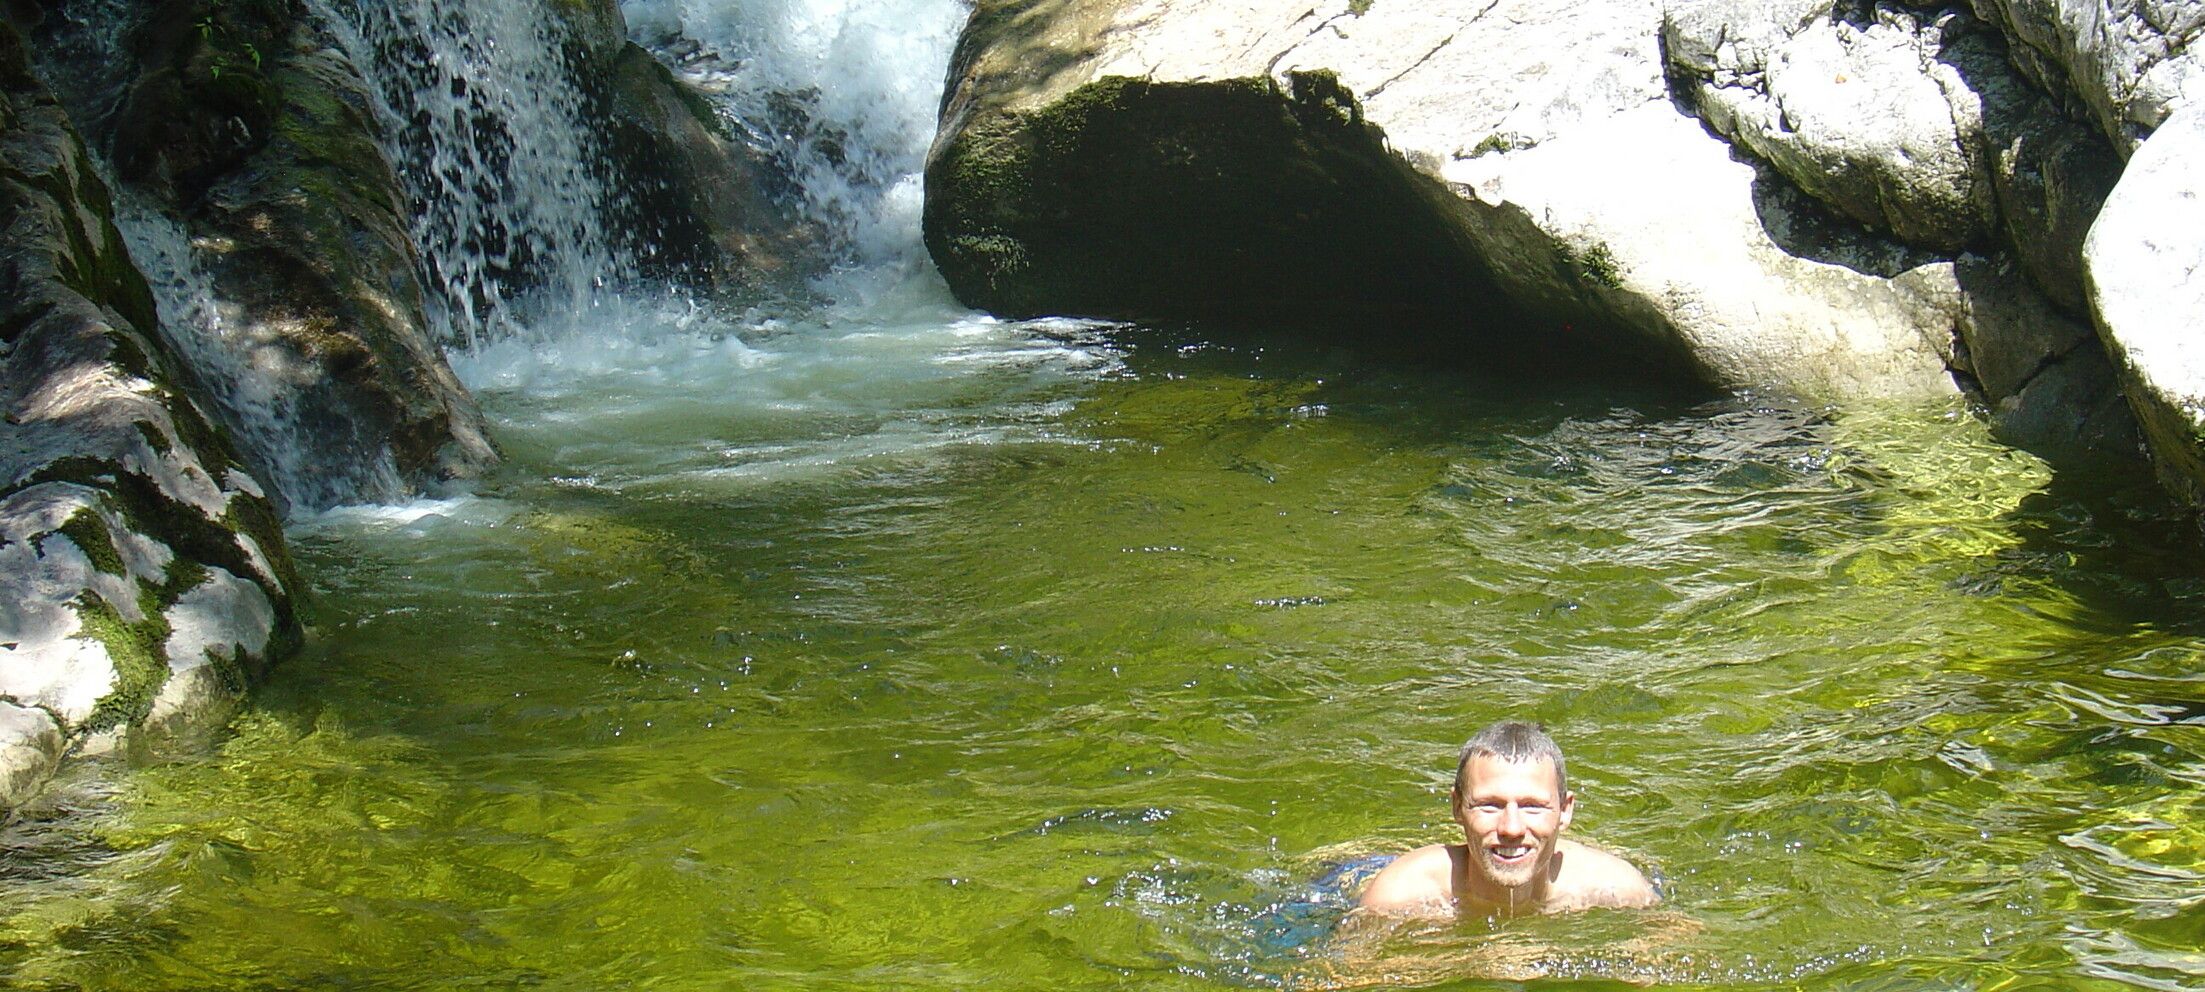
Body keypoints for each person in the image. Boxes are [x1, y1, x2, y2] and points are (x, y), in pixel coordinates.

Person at [1355, 721, 1659, 918]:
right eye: (1489, 805)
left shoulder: (1618, 889)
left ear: (1565, 811)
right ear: (1457, 807)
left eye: (1532, 806)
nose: (1511, 828)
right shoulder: (1398, 897)